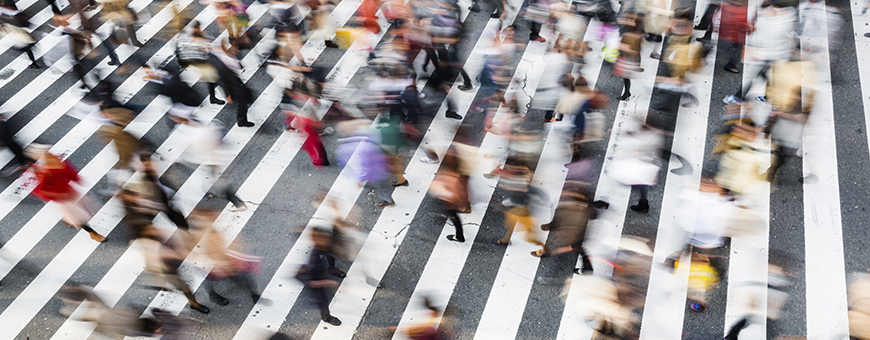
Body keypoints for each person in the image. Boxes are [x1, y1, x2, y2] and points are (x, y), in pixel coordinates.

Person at [27, 145, 107, 242]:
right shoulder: (42, 173)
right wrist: (59, 196)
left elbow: (69, 171)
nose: (49, 155)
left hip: (70, 191)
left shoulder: (56, 161)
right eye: (46, 154)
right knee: (79, 217)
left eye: (48, 153)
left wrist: (75, 179)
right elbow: (42, 192)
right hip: (62, 199)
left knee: (88, 208)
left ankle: (66, 219)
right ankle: (92, 232)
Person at [297, 227, 342, 326]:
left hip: (320, 272)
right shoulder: (312, 260)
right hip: (314, 280)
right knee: (323, 301)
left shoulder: (324, 247)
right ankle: (326, 317)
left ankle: (332, 269)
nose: (327, 242)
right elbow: (301, 276)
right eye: (324, 240)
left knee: (330, 255)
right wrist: (326, 282)